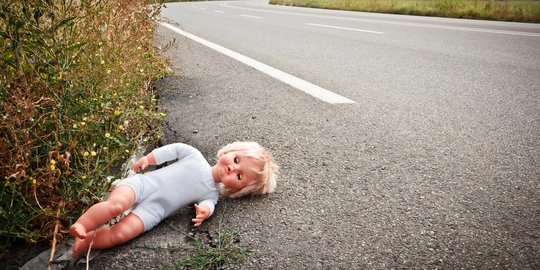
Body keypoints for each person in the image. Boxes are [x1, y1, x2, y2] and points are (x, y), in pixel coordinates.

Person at [69, 142, 278, 258]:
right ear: (229, 151)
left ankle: (88, 240)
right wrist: (149, 159)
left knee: (121, 234)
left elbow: (208, 205)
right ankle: (82, 224)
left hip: (154, 212)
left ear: (237, 189)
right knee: (116, 205)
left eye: (239, 176)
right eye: (236, 159)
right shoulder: (195, 156)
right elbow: (175, 150)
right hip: (143, 185)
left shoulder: (211, 194)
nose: (233, 167)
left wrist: (204, 211)